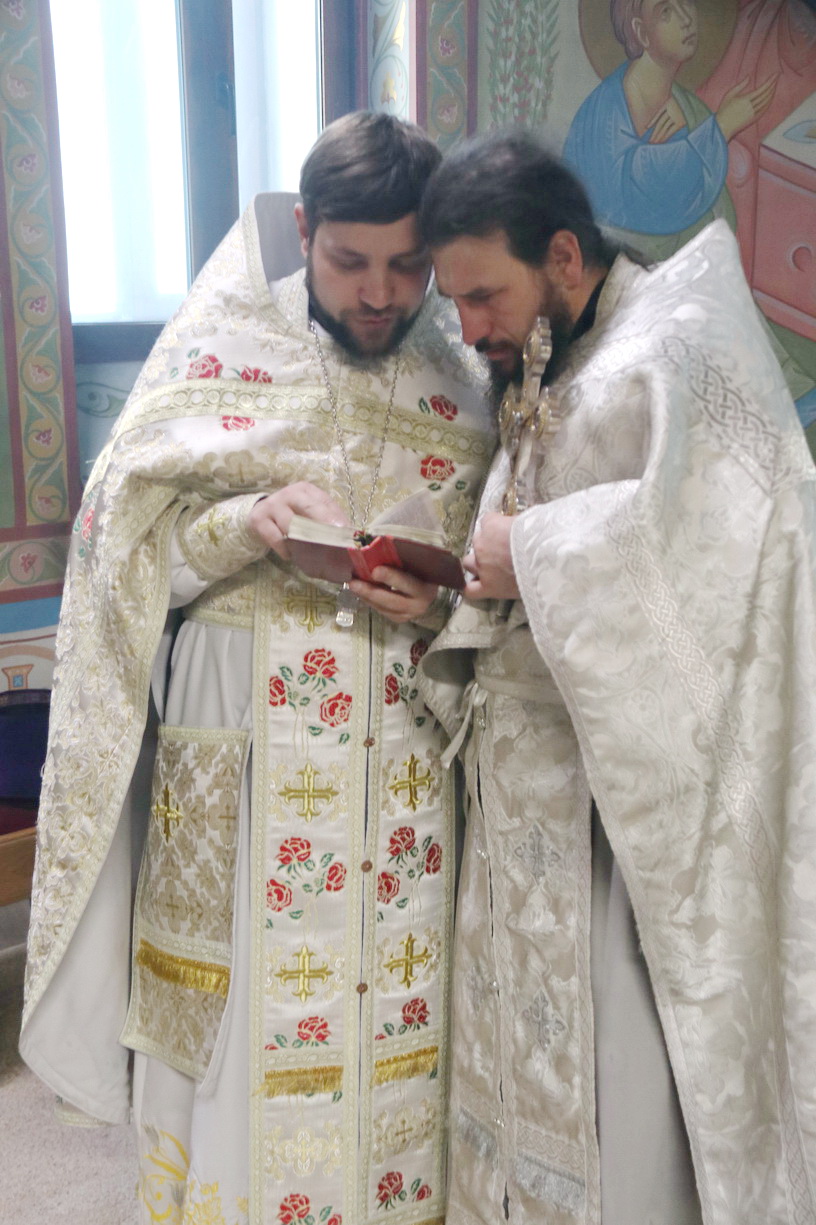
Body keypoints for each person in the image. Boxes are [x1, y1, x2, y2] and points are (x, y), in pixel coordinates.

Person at [20, 112, 493, 1224]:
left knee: (396, 1026)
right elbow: (121, 555)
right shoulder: (221, 345)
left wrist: (438, 600)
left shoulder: (460, 376)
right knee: (238, 1045)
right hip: (243, 766)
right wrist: (246, 522)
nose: (379, 293)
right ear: (306, 229)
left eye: (407, 266)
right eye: (350, 260)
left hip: (403, 767)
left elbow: (492, 578)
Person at [417, 130, 816, 1224]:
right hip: (521, 785)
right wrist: (466, 581)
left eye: (484, 296)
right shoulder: (546, 353)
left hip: (622, 806)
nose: (470, 329)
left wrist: (533, 552)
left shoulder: (676, 343)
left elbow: (739, 543)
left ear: (561, 254)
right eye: (454, 303)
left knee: (621, 1069)